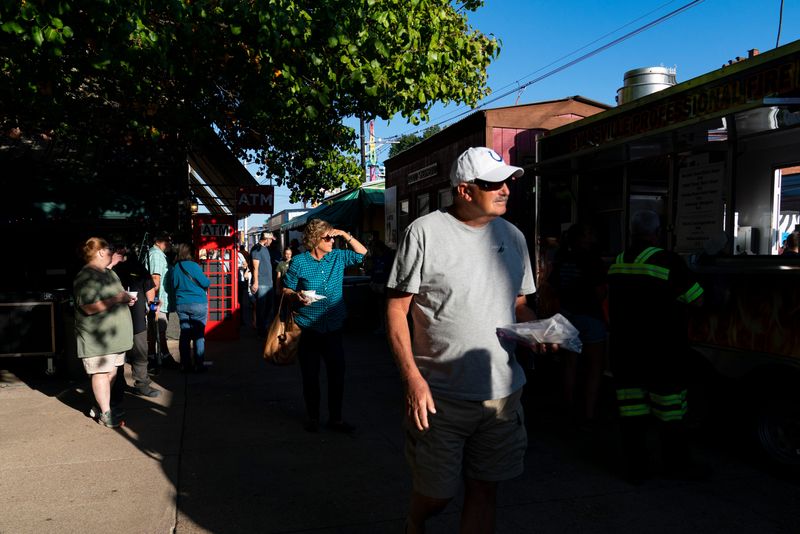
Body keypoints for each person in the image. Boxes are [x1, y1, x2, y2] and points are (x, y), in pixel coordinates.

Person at [386, 147, 550, 534]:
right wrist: (412, 380)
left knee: (484, 490)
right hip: (440, 396)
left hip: (502, 395)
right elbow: (396, 311)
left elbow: (518, 305)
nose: (506, 189)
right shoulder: (424, 233)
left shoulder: (513, 237)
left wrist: (538, 330)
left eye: (508, 181)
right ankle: (415, 521)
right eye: (494, 183)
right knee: (437, 496)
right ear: (464, 190)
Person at [607, 210, 706, 484]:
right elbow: (697, 299)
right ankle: (675, 466)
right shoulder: (668, 261)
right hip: (663, 354)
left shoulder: (617, 262)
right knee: (671, 414)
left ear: (632, 232)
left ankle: (637, 470)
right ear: (658, 232)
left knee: (632, 414)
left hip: (625, 353)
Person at [281, 219, 367, 433]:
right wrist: (296, 295)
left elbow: (362, 253)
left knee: (337, 374)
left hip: (334, 326)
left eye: (332, 237)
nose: (332, 241)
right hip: (308, 327)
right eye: (327, 238)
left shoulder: (337, 257)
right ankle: (313, 418)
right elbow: (286, 289)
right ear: (314, 240)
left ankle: (336, 419)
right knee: (310, 376)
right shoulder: (299, 262)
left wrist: (344, 234)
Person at [548, 222, 608, 428]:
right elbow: (600, 293)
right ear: (582, 238)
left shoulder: (562, 259)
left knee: (569, 365)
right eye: (589, 233)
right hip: (590, 317)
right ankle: (589, 414)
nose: (593, 237)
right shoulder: (593, 261)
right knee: (594, 367)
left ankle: (568, 408)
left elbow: (553, 288)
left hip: (567, 316)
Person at [73, 237, 136, 428]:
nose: (111, 252)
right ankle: (106, 413)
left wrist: (126, 299)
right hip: (97, 337)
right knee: (101, 372)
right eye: (109, 249)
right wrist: (117, 298)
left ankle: (101, 406)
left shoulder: (109, 273)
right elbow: (88, 307)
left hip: (115, 337)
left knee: (111, 373)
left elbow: (116, 297)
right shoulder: (86, 276)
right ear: (100, 252)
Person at [110, 245, 161, 403]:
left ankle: (139, 384)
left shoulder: (129, 268)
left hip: (134, 318)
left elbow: (149, 287)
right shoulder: (109, 271)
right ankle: (127, 385)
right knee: (126, 354)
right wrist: (152, 304)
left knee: (138, 353)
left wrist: (153, 304)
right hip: (119, 320)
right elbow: (150, 289)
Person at [169, 243, 211, 373]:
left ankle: (185, 364)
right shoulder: (194, 266)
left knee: (185, 334)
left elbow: (173, 285)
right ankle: (199, 364)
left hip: (182, 304)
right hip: (198, 303)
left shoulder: (176, 267)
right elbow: (205, 282)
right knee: (199, 335)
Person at [145, 232, 176, 372]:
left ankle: (154, 357)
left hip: (160, 299)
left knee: (156, 329)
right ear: (158, 241)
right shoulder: (156, 255)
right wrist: (154, 302)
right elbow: (155, 280)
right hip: (158, 300)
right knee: (158, 329)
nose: (169, 243)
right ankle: (161, 356)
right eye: (166, 240)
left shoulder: (157, 254)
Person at [250, 231, 276, 337]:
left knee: (269, 307)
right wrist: (255, 282)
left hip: (269, 282)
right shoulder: (257, 250)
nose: (271, 242)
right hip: (261, 283)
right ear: (266, 239)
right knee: (261, 308)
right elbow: (255, 267)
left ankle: (264, 327)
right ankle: (261, 330)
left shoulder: (265, 249)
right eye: (270, 240)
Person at [237, 244, 253, 325]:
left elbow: (246, 264)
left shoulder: (239, 254)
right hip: (229, 281)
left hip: (240, 280)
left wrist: (240, 266)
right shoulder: (246, 252)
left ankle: (240, 319)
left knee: (240, 300)